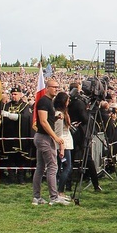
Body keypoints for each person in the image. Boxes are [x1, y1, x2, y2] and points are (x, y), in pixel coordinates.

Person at [32, 78, 70, 206]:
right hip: (44, 138)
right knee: (52, 166)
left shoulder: (49, 102)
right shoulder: (44, 101)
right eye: (54, 87)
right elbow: (43, 121)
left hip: (43, 137)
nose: (56, 89)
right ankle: (54, 197)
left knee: (41, 167)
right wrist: (55, 137)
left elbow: (47, 120)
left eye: (57, 87)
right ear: (47, 88)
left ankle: (37, 197)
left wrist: (55, 117)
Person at [0, 87, 33, 184]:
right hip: (8, 136)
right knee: (10, 158)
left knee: (21, 158)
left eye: (16, 94)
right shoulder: (6, 106)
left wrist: (11, 116)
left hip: (21, 137)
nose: (14, 96)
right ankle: (11, 177)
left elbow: (26, 118)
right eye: (12, 94)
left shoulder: (25, 106)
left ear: (21, 95)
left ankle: (21, 177)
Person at [53, 91, 74, 201]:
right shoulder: (59, 115)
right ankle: (60, 191)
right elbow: (59, 133)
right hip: (63, 144)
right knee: (66, 167)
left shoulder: (64, 113)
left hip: (66, 142)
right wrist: (61, 148)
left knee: (65, 167)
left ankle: (59, 190)